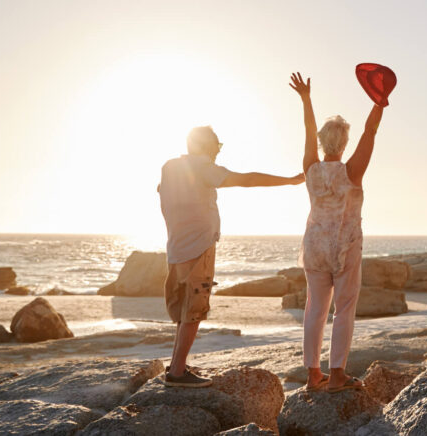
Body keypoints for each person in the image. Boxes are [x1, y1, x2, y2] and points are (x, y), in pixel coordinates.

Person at [158, 126, 304, 388]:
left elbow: (163, 195)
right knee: (194, 309)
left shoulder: (170, 167)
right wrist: (290, 180)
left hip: (176, 245)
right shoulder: (203, 168)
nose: (218, 150)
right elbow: (246, 180)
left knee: (183, 309)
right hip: (198, 247)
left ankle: (176, 364)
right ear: (205, 145)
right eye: (216, 145)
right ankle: (177, 373)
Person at [290, 72, 385, 393]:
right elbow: (370, 131)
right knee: (344, 308)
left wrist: (306, 99)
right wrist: (379, 103)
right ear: (344, 143)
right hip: (344, 247)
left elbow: (305, 130)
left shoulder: (310, 168)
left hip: (314, 246)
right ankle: (338, 374)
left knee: (315, 309)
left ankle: (313, 375)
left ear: (321, 142)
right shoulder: (352, 170)